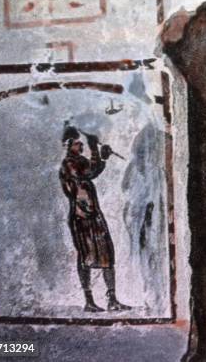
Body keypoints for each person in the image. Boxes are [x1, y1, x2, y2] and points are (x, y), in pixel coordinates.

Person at [59, 124, 130, 312]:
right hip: (81, 217)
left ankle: (112, 299)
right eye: (78, 144)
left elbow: (94, 169)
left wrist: (102, 155)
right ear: (69, 144)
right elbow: (88, 173)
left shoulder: (79, 160)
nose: (80, 147)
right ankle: (89, 301)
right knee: (86, 257)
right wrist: (94, 149)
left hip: (93, 214)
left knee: (107, 254)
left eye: (82, 144)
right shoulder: (69, 164)